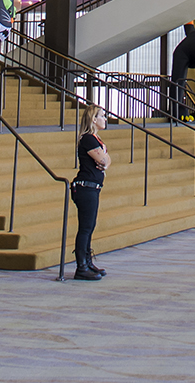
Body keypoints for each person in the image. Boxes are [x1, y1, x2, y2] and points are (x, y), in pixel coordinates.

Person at [71, 104, 111, 279]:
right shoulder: (88, 139)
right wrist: (105, 158)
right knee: (85, 227)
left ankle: (88, 262)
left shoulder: (96, 139)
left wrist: (105, 159)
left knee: (90, 226)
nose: (105, 118)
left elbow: (106, 161)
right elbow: (103, 160)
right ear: (93, 119)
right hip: (85, 187)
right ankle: (81, 267)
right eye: (102, 116)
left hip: (92, 187)